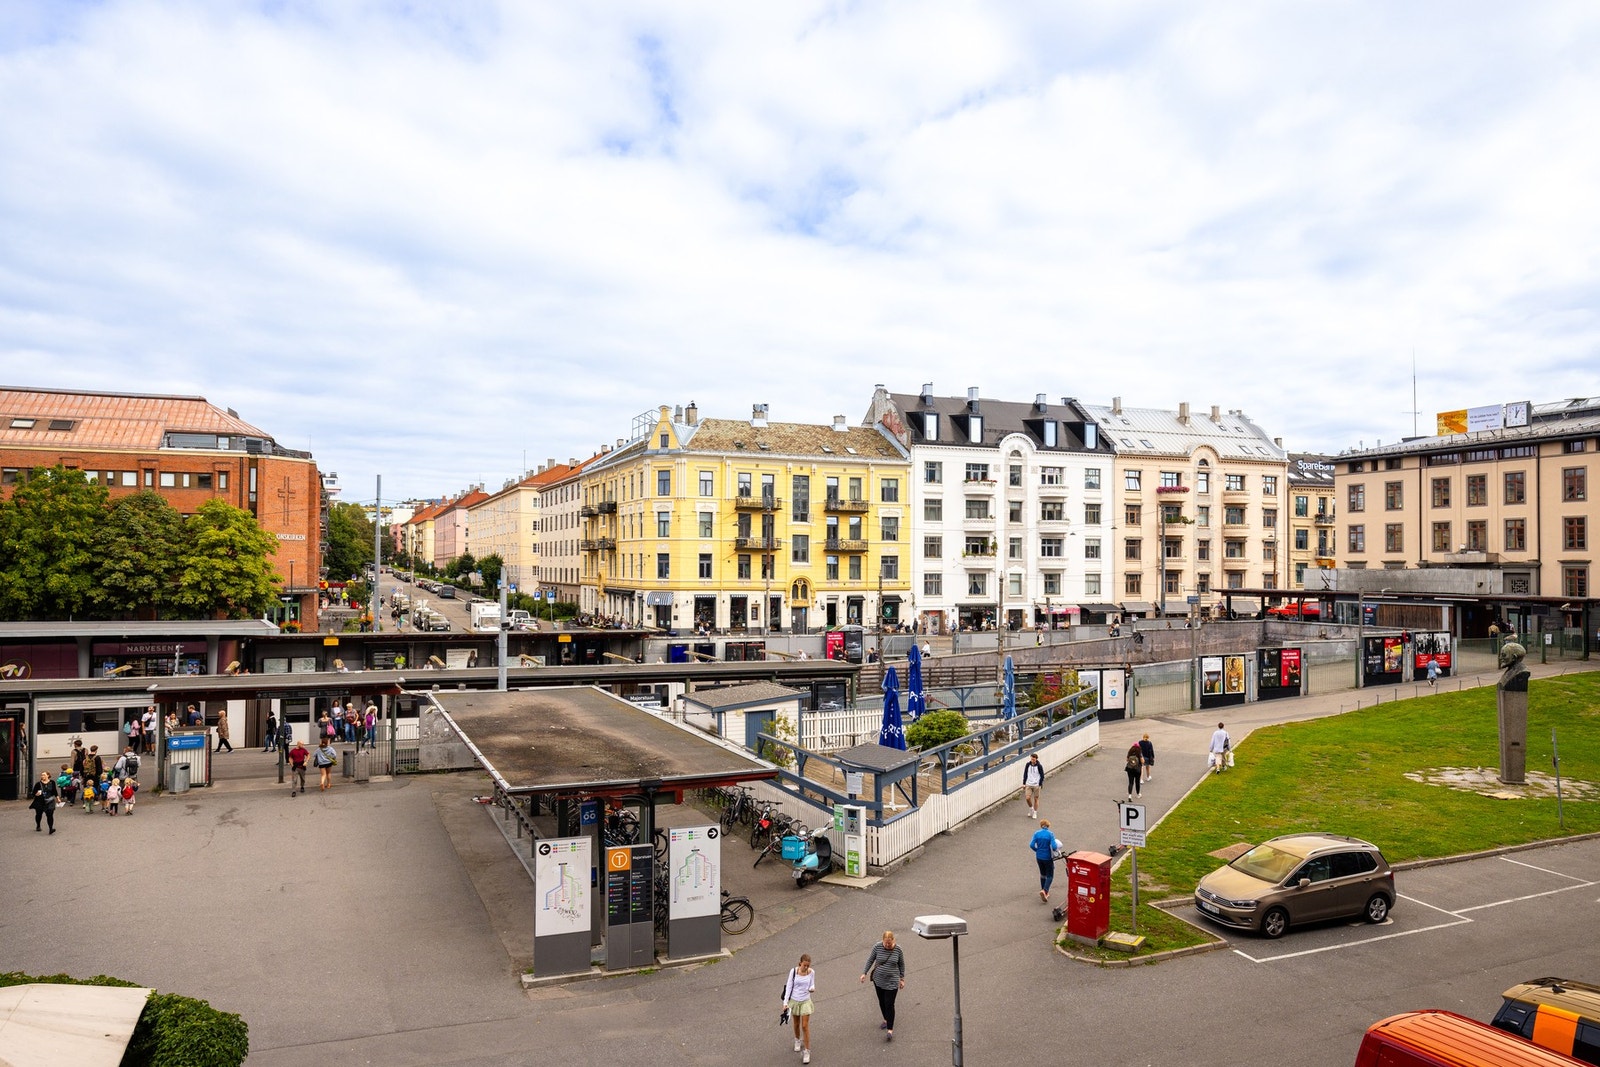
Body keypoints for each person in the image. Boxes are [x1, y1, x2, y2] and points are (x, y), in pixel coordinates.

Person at [860, 930, 905, 1041]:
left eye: (889, 943)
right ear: (883, 940)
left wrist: (902, 979)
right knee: (882, 1001)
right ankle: (885, 1019)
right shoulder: (877, 947)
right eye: (885, 943)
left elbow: (901, 964)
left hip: (892, 981)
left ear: (893, 940)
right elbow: (870, 959)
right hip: (878, 980)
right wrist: (864, 973)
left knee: (889, 1004)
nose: (887, 945)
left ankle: (890, 1029)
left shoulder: (898, 950)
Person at [782, 954, 817, 1063]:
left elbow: (812, 985)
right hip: (794, 1001)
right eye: (804, 965)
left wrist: (812, 989)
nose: (806, 967)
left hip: (805, 1001)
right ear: (800, 963)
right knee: (796, 1024)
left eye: (808, 966)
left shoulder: (811, 972)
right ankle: (797, 1040)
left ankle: (807, 1051)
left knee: (805, 1026)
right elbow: (788, 986)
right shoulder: (793, 972)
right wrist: (785, 1003)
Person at [1029, 819, 1063, 903]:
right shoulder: (1050, 834)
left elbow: (1031, 845)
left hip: (1039, 857)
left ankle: (1043, 890)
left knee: (1042, 874)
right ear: (1048, 826)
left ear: (1041, 825)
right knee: (1050, 875)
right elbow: (1054, 846)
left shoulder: (1036, 833)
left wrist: (1037, 850)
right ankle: (1045, 890)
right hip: (1047, 857)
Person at [1021, 753, 1044, 819]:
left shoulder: (1039, 766)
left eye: (1033, 759)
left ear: (1036, 759)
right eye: (1031, 759)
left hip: (1036, 785)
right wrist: (1024, 783)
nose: (1032, 760)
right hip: (1029, 784)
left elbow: (1042, 775)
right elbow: (1025, 773)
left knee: (1036, 799)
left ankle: (1035, 812)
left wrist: (1040, 784)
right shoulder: (1028, 765)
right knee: (1027, 798)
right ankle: (1031, 808)